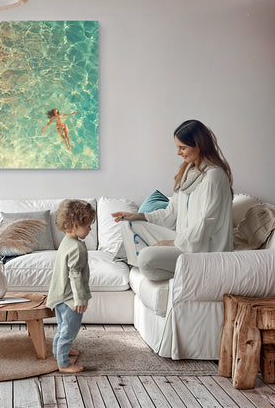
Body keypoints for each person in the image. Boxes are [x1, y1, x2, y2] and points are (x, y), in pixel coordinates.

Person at [112, 119, 233, 282]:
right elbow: (171, 214)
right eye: (178, 147)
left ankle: (188, 272)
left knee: (147, 257)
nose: (178, 153)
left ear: (199, 145)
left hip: (202, 250)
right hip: (184, 241)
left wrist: (173, 243)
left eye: (182, 147)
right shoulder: (188, 173)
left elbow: (206, 224)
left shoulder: (214, 176)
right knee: (128, 225)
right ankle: (159, 266)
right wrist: (137, 216)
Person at [47, 199, 95, 373]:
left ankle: (58, 351)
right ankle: (64, 363)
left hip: (60, 295)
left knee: (63, 327)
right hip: (70, 298)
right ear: (76, 224)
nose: (90, 229)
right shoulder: (77, 248)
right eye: (88, 226)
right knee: (69, 330)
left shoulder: (66, 242)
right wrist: (80, 298)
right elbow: (75, 276)